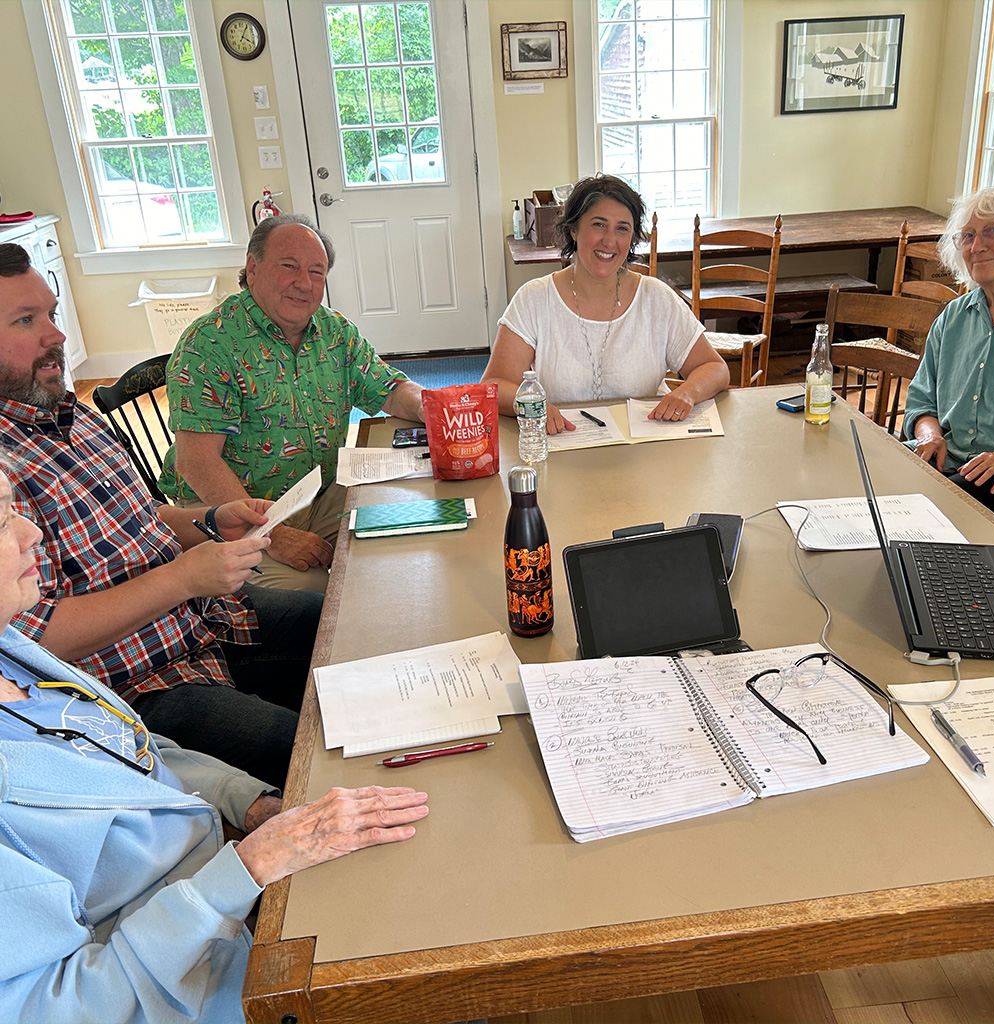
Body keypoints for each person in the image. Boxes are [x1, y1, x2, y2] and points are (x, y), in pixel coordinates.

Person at [0, 461, 429, 1022]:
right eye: (3, 519)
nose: (30, 529)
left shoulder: (15, 654)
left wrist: (246, 801)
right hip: (211, 978)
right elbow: (64, 1008)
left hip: (222, 887)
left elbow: (130, 750)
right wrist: (245, 870)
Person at [0, 242, 320, 787]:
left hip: (203, 623)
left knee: (343, 628)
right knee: (309, 752)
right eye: (26, 320)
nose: (56, 335)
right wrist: (180, 578)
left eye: (51, 314)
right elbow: (30, 639)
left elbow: (137, 514)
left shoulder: (69, 415)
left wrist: (211, 520)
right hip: (132, 688)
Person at [159, 214, 426, 592]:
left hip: (317, 493)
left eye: (317, 272)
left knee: (403, 530)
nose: (304, 283)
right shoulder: (210, 344)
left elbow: (391, 388)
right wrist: (276, 534)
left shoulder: (334, 331)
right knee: (316, 599)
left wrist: (431, 405)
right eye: (289, 267)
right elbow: (196, 462)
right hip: (235, 522)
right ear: (253, 268)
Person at [481, 175, 729, 434]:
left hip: (645, 450)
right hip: (565, 447)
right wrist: (533, 405)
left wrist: (687, 393)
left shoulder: (656, 298)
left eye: (622, 228)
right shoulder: (534, 299)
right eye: (599, 225)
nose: (610, 241)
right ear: (573, 229)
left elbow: (714, 368)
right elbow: (495, 385)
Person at [904, 185, 994, 529]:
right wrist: (930, 436)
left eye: (993, 231)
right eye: (968, 235)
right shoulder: (954, 316)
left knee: (914, 520)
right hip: (950, 463)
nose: (978, 246)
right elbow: (921, 401)